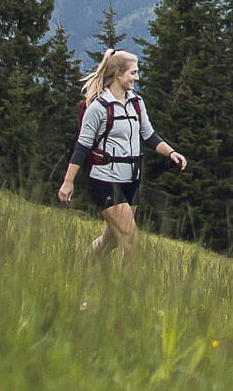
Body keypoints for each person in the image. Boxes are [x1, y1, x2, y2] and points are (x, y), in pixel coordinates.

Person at [58, 48, 185, 258]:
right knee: (130, 237)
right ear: (118, 73)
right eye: (133, 73)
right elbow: (82, 147)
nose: (137, 77)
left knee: (113, 239)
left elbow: (149, 135)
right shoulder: (98, 108)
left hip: (131, 179)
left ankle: (80, 265)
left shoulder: (137, 103)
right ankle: (125, 287)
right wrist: (68, 182)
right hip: (105, 179)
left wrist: (171, 152)